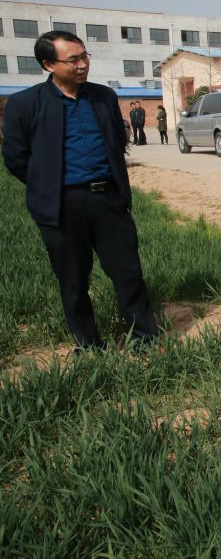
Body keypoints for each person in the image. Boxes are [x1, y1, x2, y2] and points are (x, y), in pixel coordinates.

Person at [2, 31, 159, 350]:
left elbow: (117, 141)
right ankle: (88, 344)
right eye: (73, 60)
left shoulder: (103, 97)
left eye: (85, 56)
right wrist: (48, 186)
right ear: (48, 65)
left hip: (107, 199)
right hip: (61, 205)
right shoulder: (24, 104)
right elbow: (16, 159)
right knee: (73, 279)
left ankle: (144, 338)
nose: (82, 64)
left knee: (127, 271)